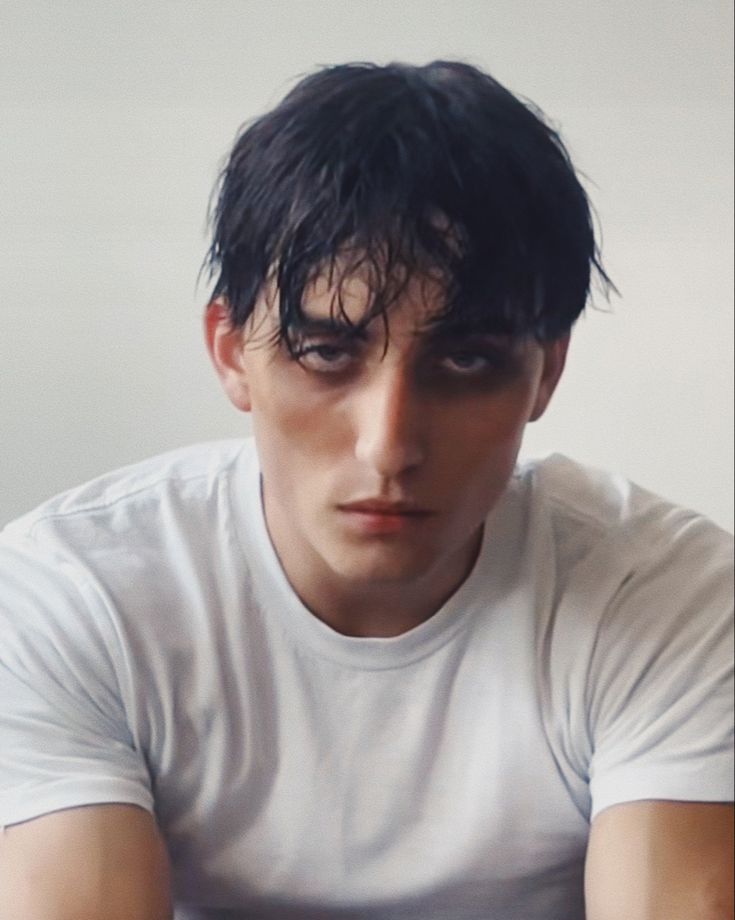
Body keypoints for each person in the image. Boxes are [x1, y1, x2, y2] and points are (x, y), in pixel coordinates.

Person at [0, 61, 732, 920]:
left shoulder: (664, 596)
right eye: (325, 353)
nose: (388, 444)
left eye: (466, 361)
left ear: (545, 375)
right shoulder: (74, 594)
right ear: (233, 352)